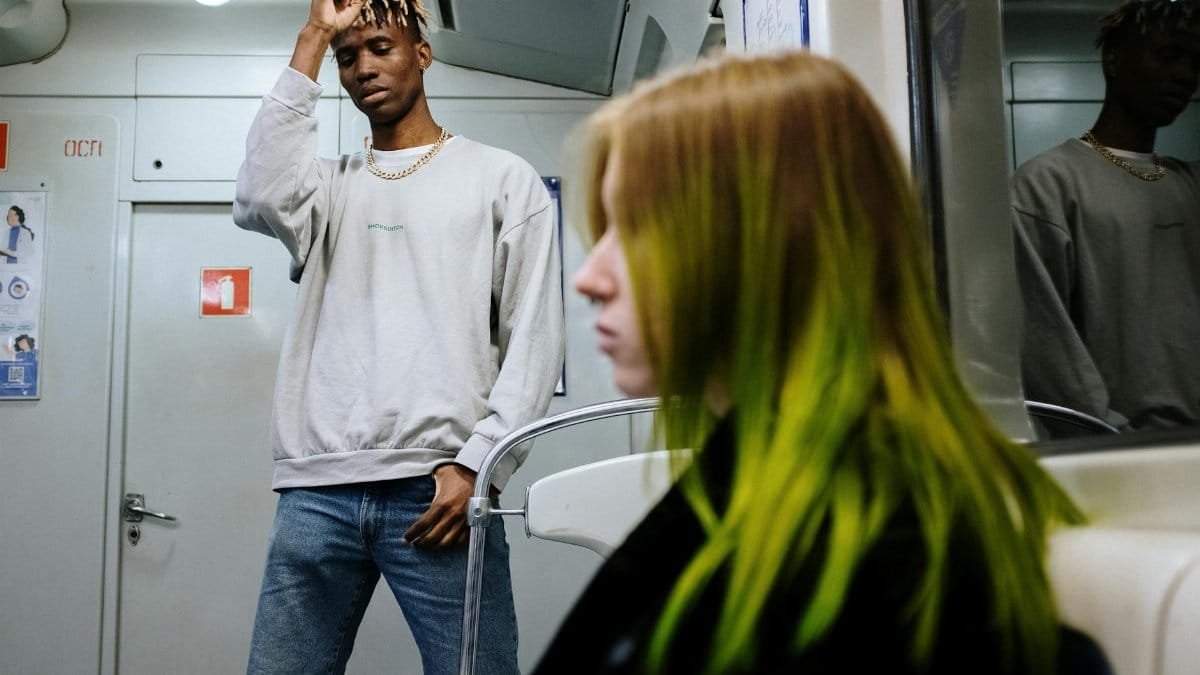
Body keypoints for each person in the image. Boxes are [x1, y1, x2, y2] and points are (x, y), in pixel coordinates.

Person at [538, 51, 1112, 674]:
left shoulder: (879, 563)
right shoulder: (774, 482)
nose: (589, 279)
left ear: (763, 245)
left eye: (635, 229)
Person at [232, 0, 564, 672]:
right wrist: (314, 35)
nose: (363, 68)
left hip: (439, 489)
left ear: (422, 54)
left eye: (381, 47)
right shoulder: (325, 188)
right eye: (347, 57)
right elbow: (259, 194)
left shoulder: (502, 179)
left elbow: (533, 338)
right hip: (317, 491)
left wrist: (479, 466)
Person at [1012, 0, 1200, 434]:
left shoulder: (1187, 184)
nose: (1185, 76)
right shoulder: (1047, 186)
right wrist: (1115, 442)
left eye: (1195, 63)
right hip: (1123, 447)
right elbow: (1046, 351)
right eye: (1168, 56)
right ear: (1112, 60)